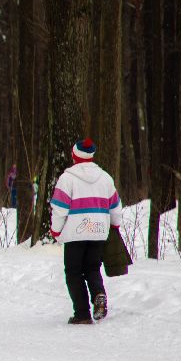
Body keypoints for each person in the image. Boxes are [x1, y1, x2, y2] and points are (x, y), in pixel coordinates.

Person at [50, 138, 123, 325]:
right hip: (99, 231)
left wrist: (56, 230)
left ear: (74, 155)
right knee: (92, 268)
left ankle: (82, 313)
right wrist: (114, 225)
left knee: (73, 272)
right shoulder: (105, 178)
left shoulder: (67, 179)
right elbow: (115, 206)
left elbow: (59, 208)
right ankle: (98, 294)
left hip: (75, 232)